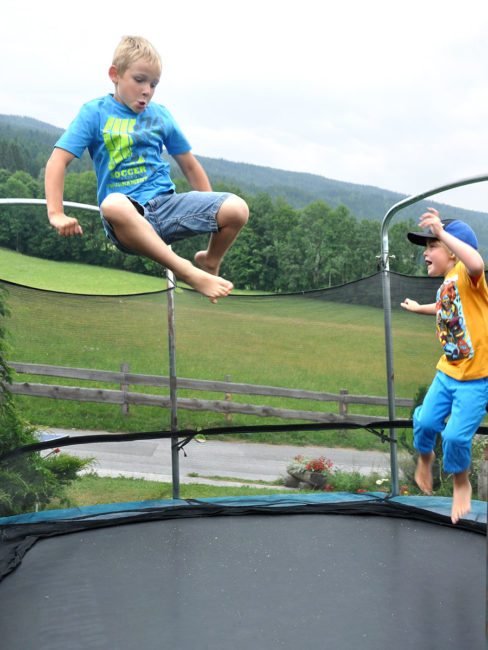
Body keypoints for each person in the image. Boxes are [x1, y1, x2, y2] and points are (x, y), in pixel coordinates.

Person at [45, 35, 249, 303]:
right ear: (115, 75)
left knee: (237, 208)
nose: (147, 91)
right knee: (113, 203)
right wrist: (56, 213)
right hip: (128, 219)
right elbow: (58, 161)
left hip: (166, 206)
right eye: (139, 80)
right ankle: (187, 271)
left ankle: (210, 262)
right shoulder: (95, 113)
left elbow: (189, 165)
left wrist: (209, 210)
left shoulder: (160, 115)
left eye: (153, 84)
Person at [401, 207, 488, 524]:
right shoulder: (448, 283)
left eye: (432, 245)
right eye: (426, 246)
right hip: (447, 373)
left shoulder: (468, 275)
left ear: (453, 253)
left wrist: (443, 233)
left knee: (455, 437)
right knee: (424, 422)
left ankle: (461, 482)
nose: (426, 252)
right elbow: (443, 308)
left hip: (476, 380)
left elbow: (477, 262)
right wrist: (416, 308)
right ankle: (425, 457)